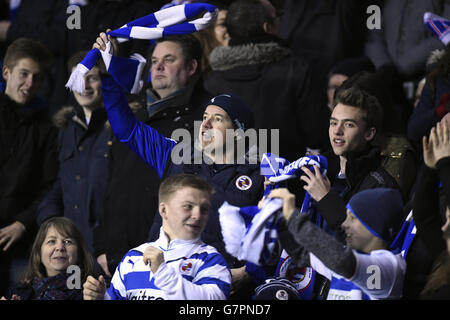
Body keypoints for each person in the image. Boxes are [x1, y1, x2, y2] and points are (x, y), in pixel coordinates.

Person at [93, 33, 213, 278]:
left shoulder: (207, 123)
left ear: (191, 66)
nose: (158, 66)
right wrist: (104, 246)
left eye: (169, 59)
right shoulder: (132, 116)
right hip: (117, 258)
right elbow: (112, 188)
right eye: (155, 59)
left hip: (170, 260)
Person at [204, 0, 330, 162]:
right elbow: (317, 134)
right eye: (278, 16)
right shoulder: (297, 70)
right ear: (267, 27)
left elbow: (206, 140)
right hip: (285, 178)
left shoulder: (212, 80)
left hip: (230, 180)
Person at [83, 174, 232, 300]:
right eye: (188, 206)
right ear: (163, 210)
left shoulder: (211, 259)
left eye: (204, 209)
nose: (198, 215)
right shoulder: (133, 257)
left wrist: (163, 273)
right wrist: (101, 297)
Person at [36, 50, 114, 254]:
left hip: (105, 248)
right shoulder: (65, 129)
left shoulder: (120, 128)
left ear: (105, 81)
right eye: (78, 79)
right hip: (70, 248)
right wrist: (49, 222)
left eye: (92, 79)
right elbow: (58, 185)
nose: (84, 86)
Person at [301, 86, 400, 243]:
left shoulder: (381, 186)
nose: (337, 131)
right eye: (333, 123)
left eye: (348, 124)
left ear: (369, 134)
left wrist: (326, 199)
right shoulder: (317, 168)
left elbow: (362, 243)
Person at [271, 187, 406, 300]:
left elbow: (342, 262)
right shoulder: (350, 257)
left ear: (376, 226)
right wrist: (279, 220)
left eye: (352, 218)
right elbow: (302, 253)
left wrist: (292, 217)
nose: (344, 224)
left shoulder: (390, 267)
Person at [0, 38, 59, 296]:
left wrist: (22, 223)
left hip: (19, 242)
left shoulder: (46, 128)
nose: (30, 84)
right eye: (24, 74)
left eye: (37, 77)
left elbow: (50, 184)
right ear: (6, 72)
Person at [2, 217, 95, 300]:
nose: (60, 247)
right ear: (39, 253)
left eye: (67, 242)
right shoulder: (19, 292)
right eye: (51, 241)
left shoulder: (92, 291)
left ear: (79, 252)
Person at [415, 120, 450, 299]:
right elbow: (424, 218)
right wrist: (429, 168)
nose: (444, 227)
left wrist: (444, 163)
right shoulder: (446, 255)